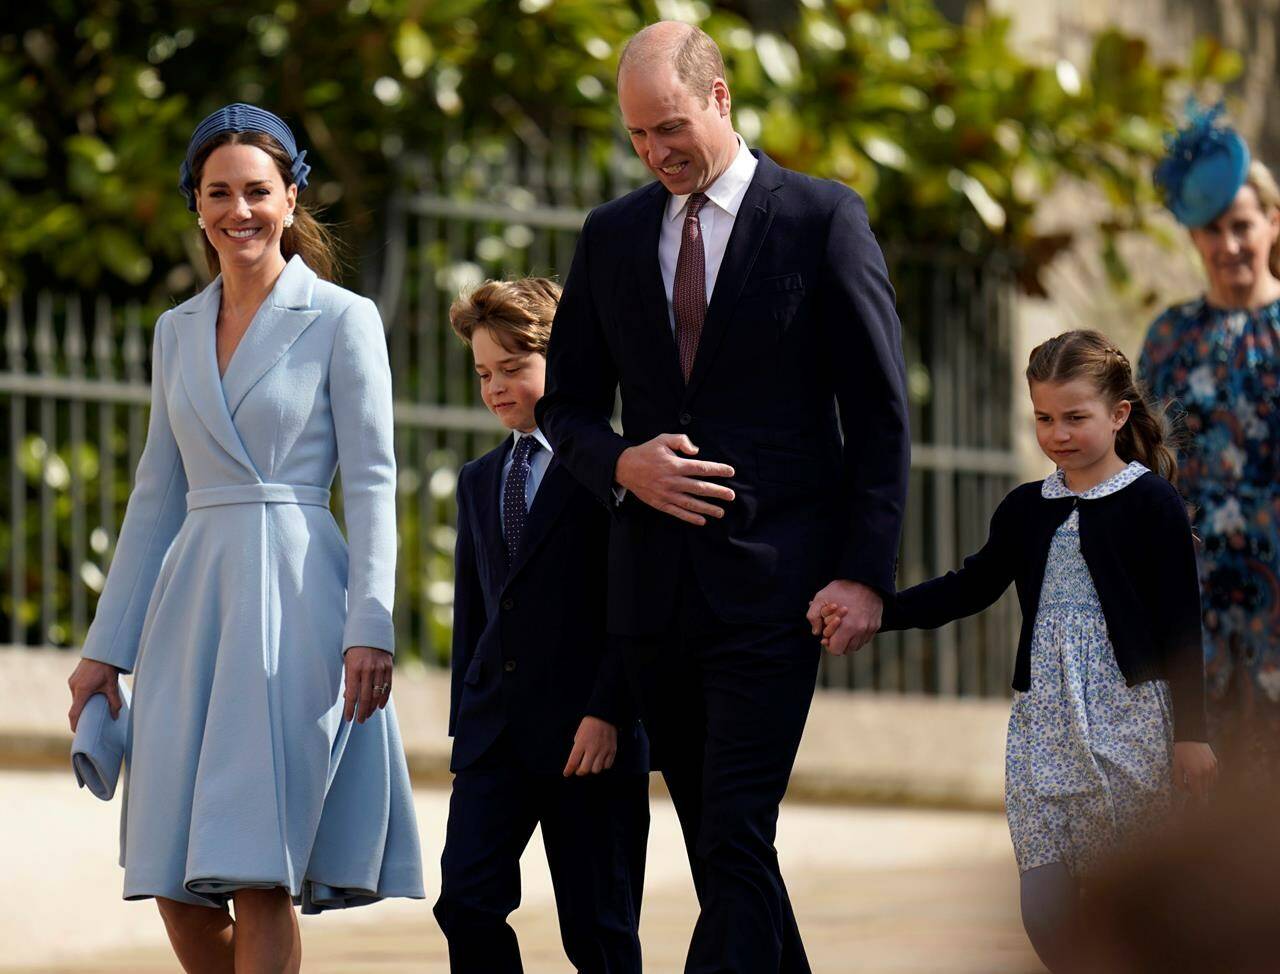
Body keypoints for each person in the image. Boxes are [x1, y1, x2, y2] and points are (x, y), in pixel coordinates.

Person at [535, 22, 910, 973]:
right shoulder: (611, 236)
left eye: (670, 127)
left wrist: (864, 575)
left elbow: (878, 414)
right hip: (655, 598)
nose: (657, 152)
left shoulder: (823, 218)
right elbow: (569, 406)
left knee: (738, 824)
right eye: (637, 137)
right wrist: (622, 463)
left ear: (721, 100)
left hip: (777, 590)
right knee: (721, 846)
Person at [64, 103, 423, 973]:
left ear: (293, 196)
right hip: (190, 613)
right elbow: (156, 495)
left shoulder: (344, 317)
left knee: (258, 870)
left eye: (258, 191)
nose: (240, 211)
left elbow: (373, 481)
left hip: (296, 606)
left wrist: (370, 626)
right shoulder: (174, 331)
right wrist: (103, 653)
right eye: (218, 193)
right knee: (171, 879)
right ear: (196, 205)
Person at [824, 330, 1217, 972]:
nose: (1057, 433)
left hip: (1130, 722)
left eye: (1075, 417)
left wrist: (1192, 736)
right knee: (1044, 905)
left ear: (1119, 415)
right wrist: (879, 611)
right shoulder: (1024, 509)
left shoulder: (1153, 504)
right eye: (1043, 418)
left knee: (1135, 904)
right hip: (1043, 726)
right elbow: (968, 588)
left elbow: (1182, 626)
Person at [434, 278, 649, 973]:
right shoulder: (478, 478)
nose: (496, 387)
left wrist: (609, 711)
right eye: (483, 374)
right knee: (465, 903)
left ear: (565, 364)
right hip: (495, 732)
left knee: (599, 932)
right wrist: (466, 726)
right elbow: (477, 611)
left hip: (591, 736)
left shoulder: (617, 470)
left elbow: (636, 605)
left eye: (513, 368)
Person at [1140, 102, 1280, 787]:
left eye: (1242, 226)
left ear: (1273, 223)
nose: (1228, 245)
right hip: (1192, 602)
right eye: (1212, 230)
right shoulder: (1170, 338)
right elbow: (1142, 466)